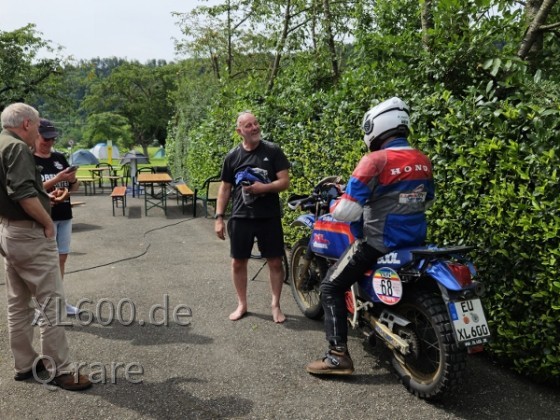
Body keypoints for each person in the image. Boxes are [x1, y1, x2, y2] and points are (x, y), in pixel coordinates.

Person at [306, 97, 435, 375]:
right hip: (415, 241)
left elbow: (346, 212)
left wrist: (333, 203)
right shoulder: (422, 159)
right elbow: (426, 200)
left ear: (374, 126)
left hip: (378, 242)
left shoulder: (374, 160)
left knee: (330, 287)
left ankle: (337, 355)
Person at [0, 103, 92, 390]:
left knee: (17, 303)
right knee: (51, 303)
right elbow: (24, 192)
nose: (40, 132)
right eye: (38, 126)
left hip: (9, 230)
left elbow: (19, 192)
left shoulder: (1, 143)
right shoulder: (17, 148)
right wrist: (46, 221)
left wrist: (41, 200)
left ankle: (24, 364)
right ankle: (60, 370)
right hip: (29, 233)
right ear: (26, 124)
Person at [214, 111, 290, 323]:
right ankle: (242, 304)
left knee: (275, 261)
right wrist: (219, 217)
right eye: (248, 125)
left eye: (256, 123)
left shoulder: (273, 151)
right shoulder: (232, 156)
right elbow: (225, 188)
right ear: (240, 131)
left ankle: (275, 305)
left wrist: (263, 187)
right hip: (240, 216)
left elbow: (284, 182)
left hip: (269, 216)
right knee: (238, 263)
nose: (255, 127)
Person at [34, 119, 80, 315]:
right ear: (36, 135)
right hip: (44, 218)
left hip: (64, 215)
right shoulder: (29, 160)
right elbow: (30, 190)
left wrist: (71, 181)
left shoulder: (59, 157)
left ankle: (59, 301)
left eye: (52, 139)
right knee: (45, 263)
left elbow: (74, 187)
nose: (49, 143)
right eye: (46, 139)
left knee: (61, 259)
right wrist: (58, 178)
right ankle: (42, 305)